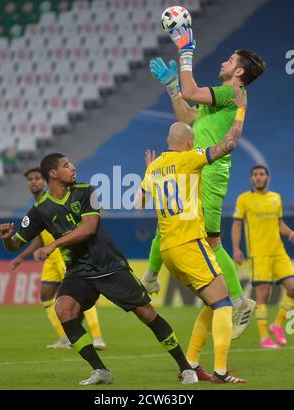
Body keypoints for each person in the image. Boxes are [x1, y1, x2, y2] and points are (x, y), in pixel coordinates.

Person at [0, 154, 197, 385]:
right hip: (79, 271)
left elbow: (89, 229)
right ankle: (101, 370)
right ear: (53, 174)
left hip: (108, 265)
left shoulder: (86, 191)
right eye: (65, 165)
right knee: (64, 309)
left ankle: (185, 367)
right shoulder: (40, 210)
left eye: (71, 163)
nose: (72, 167)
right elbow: (15, 245)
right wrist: (6, 239)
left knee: (147, 314)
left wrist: (54, 244)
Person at [144, 25, 266, 341]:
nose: (223, 62)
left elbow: (191, 91)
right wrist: (172, 86)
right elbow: (187, 116)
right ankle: (150, 278)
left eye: (229, 60)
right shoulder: (222, 100)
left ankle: (239, 301)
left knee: (212, 242)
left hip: (210, 175)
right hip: (197, 171)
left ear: (238, 71)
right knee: (169, 223)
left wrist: (186, 52)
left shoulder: (232, 93)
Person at [135, 84, 246, 383]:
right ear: (186, 142)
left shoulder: (155, 167)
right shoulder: (189, 158)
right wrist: (239, 115)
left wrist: (150, 172)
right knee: (223, 303)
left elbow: (139, 202)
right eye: (193, 138)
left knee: (213, 302)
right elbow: (227, 147)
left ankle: (193, 364)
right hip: (190, 243)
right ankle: (221, 371)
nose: (195, 139)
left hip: (169, 249)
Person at [10, 167, 106, 350]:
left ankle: (97, 338)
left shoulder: (53, 202)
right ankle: (65, 338)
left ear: (45, 180)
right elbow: (38, 237)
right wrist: (21, 256)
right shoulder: (36, 209)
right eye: (30, 179)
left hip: (65, 254)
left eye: (37, 177)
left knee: (80, 295)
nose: (33, 182)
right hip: (50, 259)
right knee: (45, 296)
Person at [232, 165, 294, 348]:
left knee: (292, 288)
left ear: (267, 177)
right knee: (263, 295)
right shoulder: (244, 199)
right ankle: (264, 337)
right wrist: (236, 248)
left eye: (262, 174)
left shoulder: (276, 198)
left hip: (279, 252)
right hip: (259, 254)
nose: (258, 177)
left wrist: (290, 233)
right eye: (255, 175)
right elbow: (236, 225)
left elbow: (279, 223)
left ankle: (277, 325)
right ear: (251, 179)